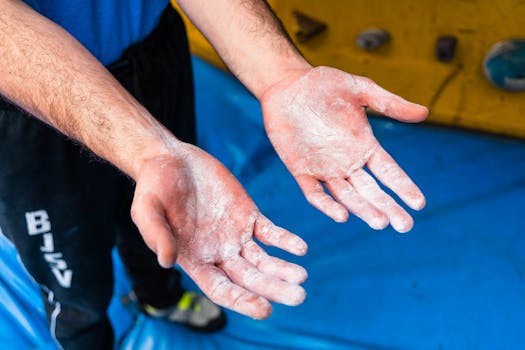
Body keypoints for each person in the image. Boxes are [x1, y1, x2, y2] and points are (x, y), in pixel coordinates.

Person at [0, 0, 428, 349]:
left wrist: (280, 74)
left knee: (170, 217)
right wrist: (150, 150)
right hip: (33, 96)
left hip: (152, 48)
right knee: (71, 273)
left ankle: (160, 298)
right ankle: (84, 341)